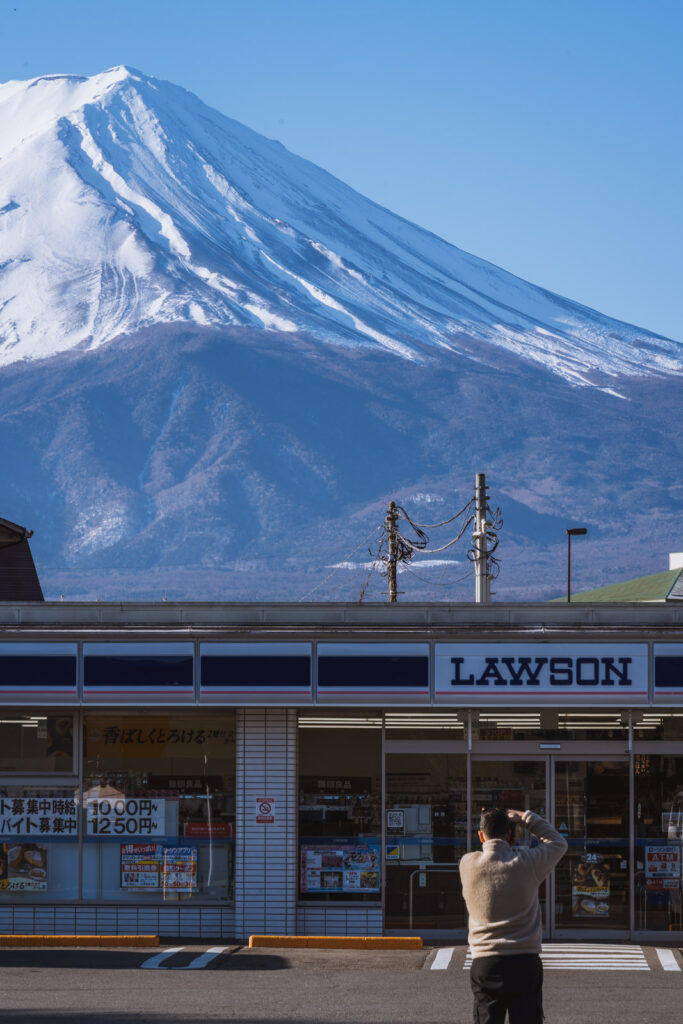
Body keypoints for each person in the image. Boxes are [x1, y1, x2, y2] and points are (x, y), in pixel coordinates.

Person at [459, 808, 567, 1024]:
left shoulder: (467, 864)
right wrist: (526, 817)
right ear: (510, 834)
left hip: (486, 961)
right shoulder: (528, 862)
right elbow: (558, 843)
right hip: (524, 961)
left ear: (480, 835)